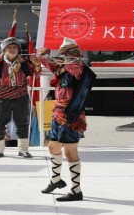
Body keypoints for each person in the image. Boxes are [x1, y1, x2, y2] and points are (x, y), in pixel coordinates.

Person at [37, 37, 95, 202]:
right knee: (53, 147)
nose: (65, 56)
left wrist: (54, 59)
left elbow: (72, 68)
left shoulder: (78, 69)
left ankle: (76, 190)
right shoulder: (62, 68)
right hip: (58, 113)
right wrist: (44, 54)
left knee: (70, 153)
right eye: (63, 53)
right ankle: (56, 180)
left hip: (71, 115)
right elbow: (45, 61)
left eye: (69, 52)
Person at [0, 37, 40, 158]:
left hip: (21, 96)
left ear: (18, 49)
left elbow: (36, 75)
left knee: (23, 123)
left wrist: (37, 64)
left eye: (15, 47)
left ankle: (23, 149)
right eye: (9, 47)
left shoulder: (24, 63)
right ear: (4, 50)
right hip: (1, 97)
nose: (12, 50)